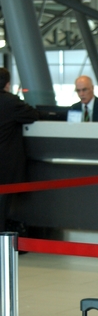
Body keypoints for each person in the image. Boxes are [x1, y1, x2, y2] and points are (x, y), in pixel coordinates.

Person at [0, 67, 39, 230]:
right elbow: (32, 115)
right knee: (2, 208)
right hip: (5, 166)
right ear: (8, 84)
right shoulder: (11, 102)